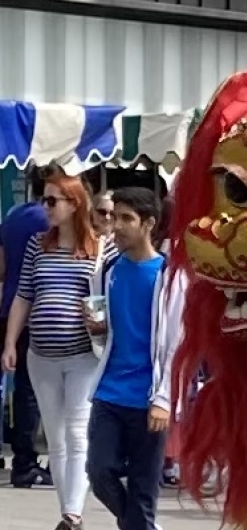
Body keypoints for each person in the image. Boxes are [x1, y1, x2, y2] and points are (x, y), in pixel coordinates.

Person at [1, 168, 117, 530]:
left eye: (52, 200)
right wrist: (9, 343)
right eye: (43, 199)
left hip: (83, 354)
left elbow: (114, 296)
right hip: (41, 355)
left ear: (74, 204)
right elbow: (23, 295)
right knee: (55, 436)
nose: (45, 207)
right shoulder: (39, 244)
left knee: (77, 431)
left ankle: (72, 514)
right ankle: (69, 513)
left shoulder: (101, 246)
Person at [85, 187, 185, 530]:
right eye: (114, 217)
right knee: (99, 472)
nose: (117, 226)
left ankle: (140, 524)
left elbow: (176, 343)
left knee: (143, 492)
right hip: (109, 392)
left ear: (149, 224)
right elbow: (101, 335)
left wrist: (164, 399)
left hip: (148, 399)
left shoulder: (170, 277)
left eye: (127, 219)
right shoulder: (107, 270)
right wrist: (95, 328)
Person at [0, 167, 52, 487]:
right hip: (37, 311)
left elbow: (2, 267)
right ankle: (26, 460)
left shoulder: (14, 216)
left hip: (8, 307)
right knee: (31, 390)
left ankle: (23, 457)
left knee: (20, 388)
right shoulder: (48, 222)